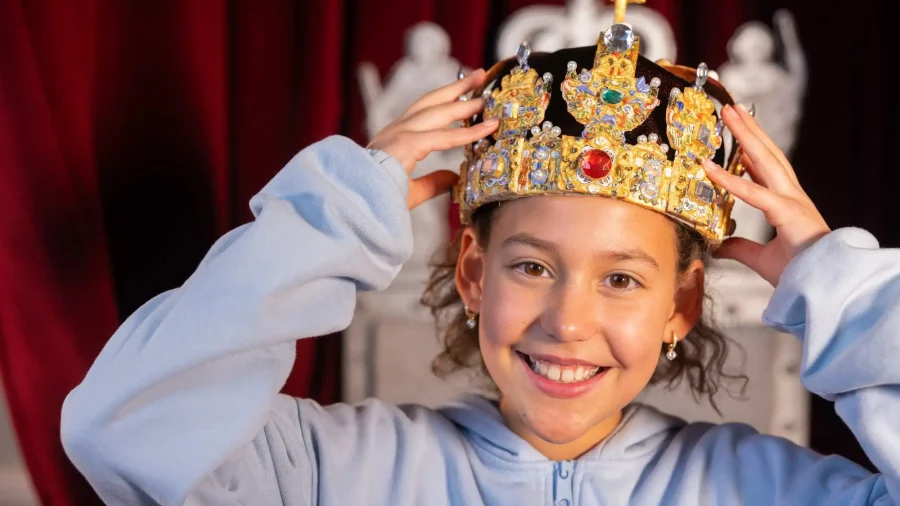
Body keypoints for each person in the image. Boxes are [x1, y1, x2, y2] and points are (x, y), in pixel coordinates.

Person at [60, 19, 898, 506]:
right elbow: (119, 427)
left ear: (681, 307)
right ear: (472, 274)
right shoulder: (322, 472)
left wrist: (846, 291)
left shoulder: (777, 493)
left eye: (622, 280)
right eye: (532, 267)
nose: (568, 322)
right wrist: (336, 212)